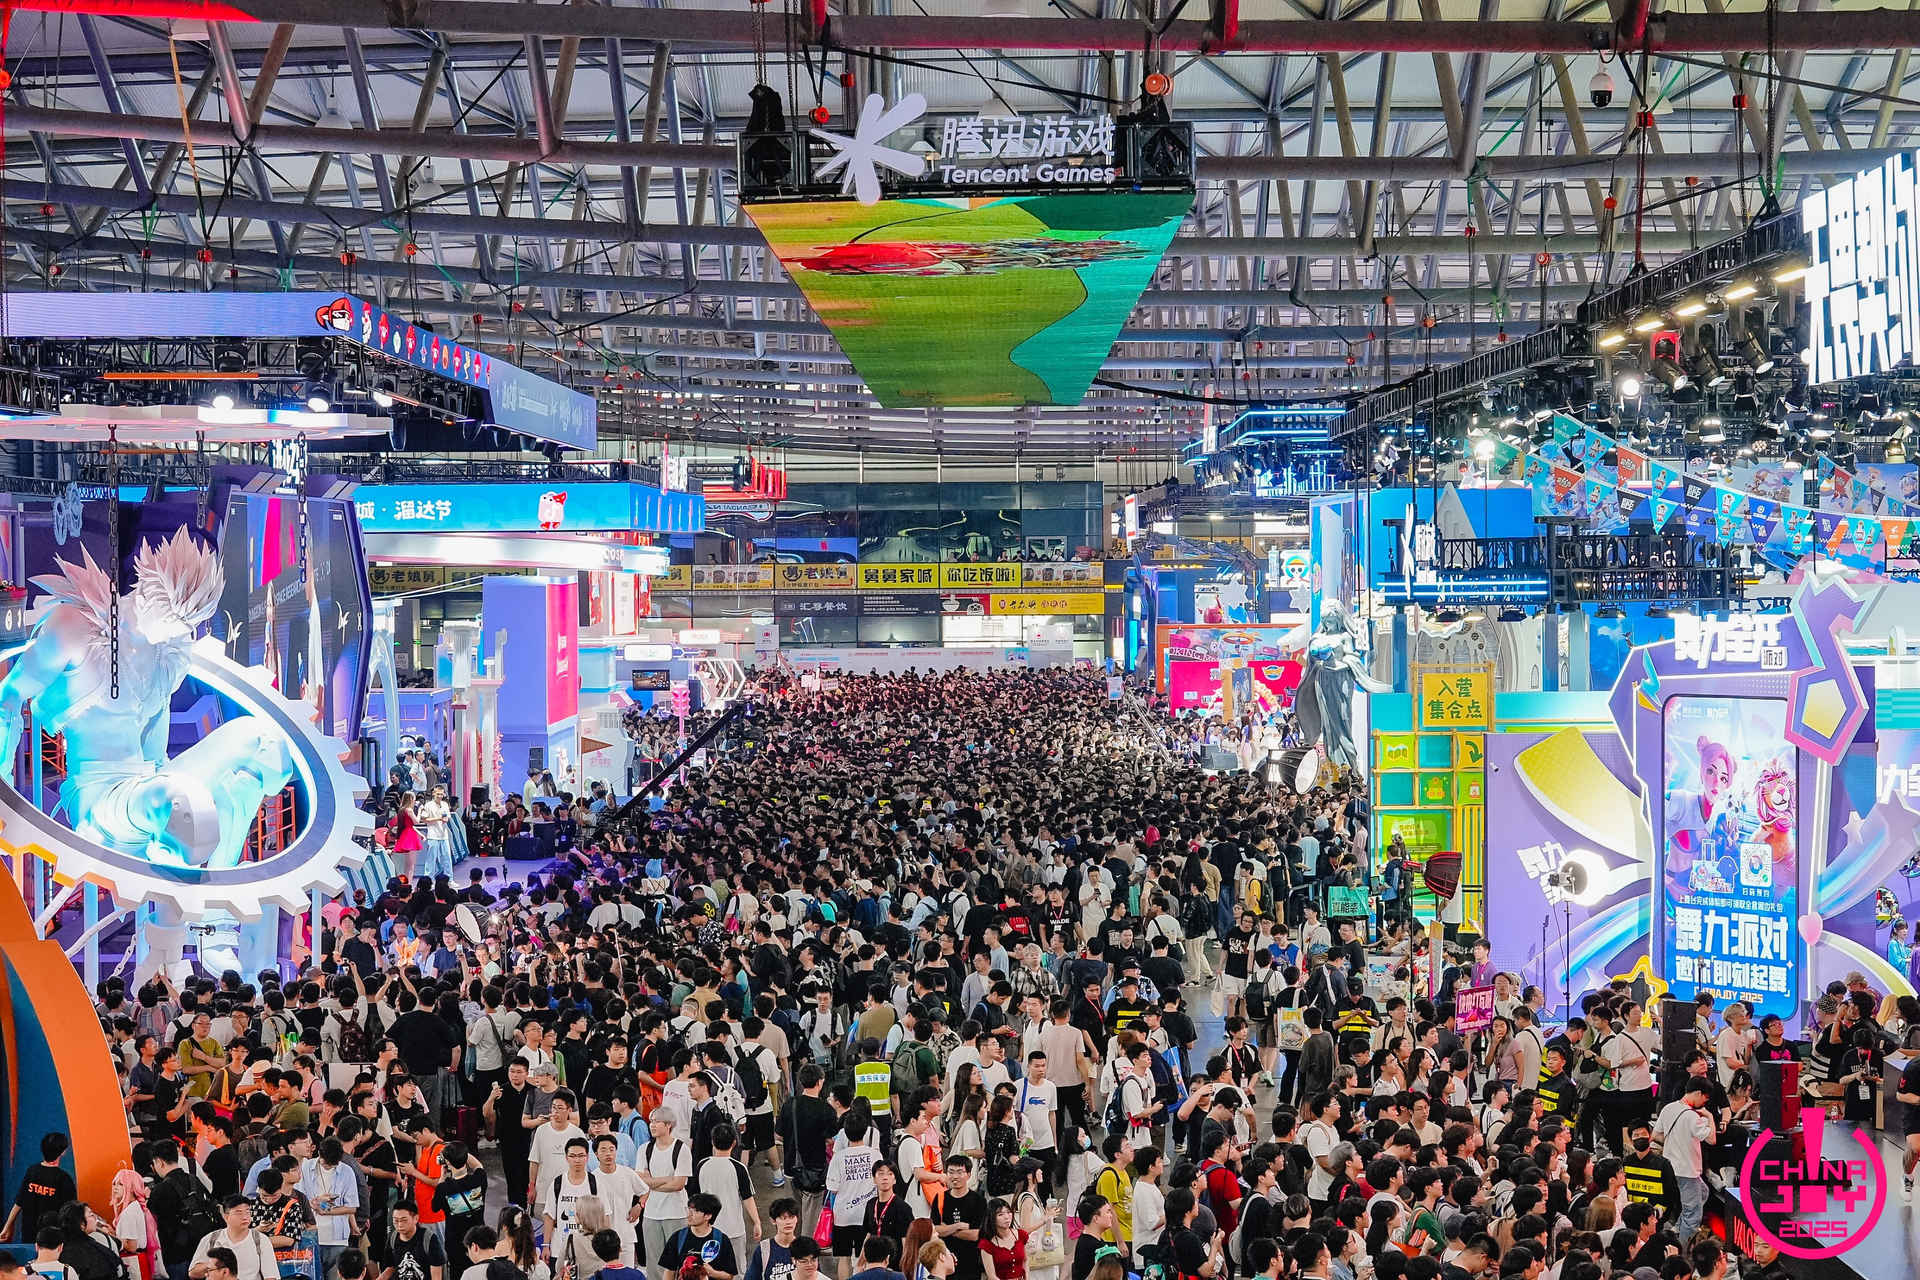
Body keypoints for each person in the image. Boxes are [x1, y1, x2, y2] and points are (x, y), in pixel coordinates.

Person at [5, 1133, 76, 1244]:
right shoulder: (64, 1179)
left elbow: (19, 1202)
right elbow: (71, 1213)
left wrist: (7, 1226)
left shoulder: (32, 1171)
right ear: (63, 1152)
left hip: (28, 1236)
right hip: (52, 1240)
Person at [188, 1199, 280, 1280]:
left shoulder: (260, 1240)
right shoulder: (211, 1238)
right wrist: (215, 1263)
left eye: (247, 1212)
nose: (245, 1217)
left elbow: (271, 1276)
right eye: (239, 1213)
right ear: (226, 1216)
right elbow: (193, 1274)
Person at [659, 1194, 738, 1280]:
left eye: (695, 1211)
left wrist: (713, 1273)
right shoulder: (678, 1237)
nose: (689, 1215)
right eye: (689, 1209)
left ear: (708, 1216)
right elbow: (669, 1271)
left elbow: (730, 1276)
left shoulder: (721, 1239)